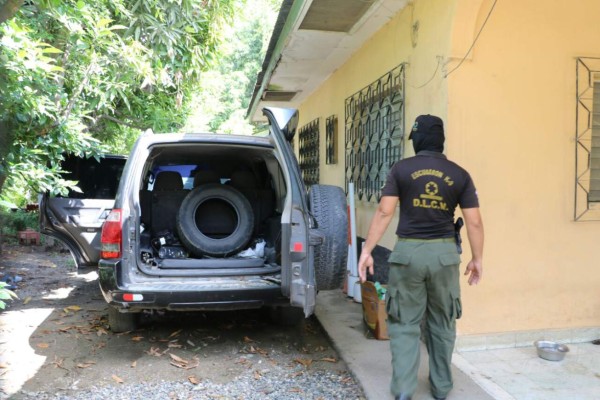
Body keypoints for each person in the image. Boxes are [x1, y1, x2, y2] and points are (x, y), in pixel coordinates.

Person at [358, 115, 484, 400]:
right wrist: (477, 259)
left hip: (408, 254)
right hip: (444, 255)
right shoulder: (460, 174)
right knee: (443, 320)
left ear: (417, 141)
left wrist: (367, 251)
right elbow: (474, 222)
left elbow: (384, 212)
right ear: (440, 141)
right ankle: (441, 388)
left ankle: (403, 390)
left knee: (404, 322)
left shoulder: (401, 169)